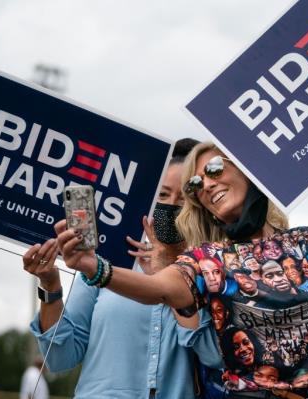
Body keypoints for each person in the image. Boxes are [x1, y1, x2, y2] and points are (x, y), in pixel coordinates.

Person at [55, 117, 308, 398]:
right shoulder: (208, 262)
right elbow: (156, 289)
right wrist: (94, 267)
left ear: (247, 171)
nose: (207, 184)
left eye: (214, 169)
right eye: (196, 185)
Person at [23, 138, 222, 399]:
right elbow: (60, 359)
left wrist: (170, 281)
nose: (171, 205)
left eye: (184, 198)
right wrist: (50, 287)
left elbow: (214, 356)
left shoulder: (213, 271)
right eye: (162, 195)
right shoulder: (107, 262)